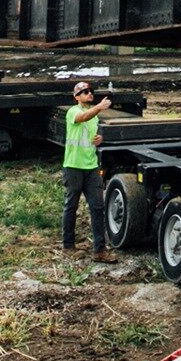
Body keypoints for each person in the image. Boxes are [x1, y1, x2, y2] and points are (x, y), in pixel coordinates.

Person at [61, 80, 117, 262]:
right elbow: (82, 118)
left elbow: (90, 133)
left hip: (91, 166)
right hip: (74, 166)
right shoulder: (73, 112)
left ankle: (99, 251)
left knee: (97, 207)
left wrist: (98, 139)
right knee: (72, 206)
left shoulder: (94, 116)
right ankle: (68, 246)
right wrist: (100, 107)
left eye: (90, 91)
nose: (89, 94)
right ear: (76, 97)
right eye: (84, 92)